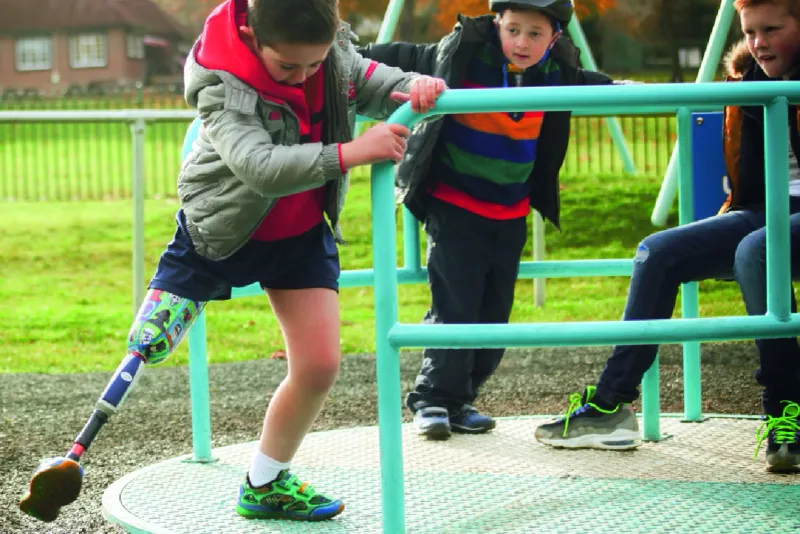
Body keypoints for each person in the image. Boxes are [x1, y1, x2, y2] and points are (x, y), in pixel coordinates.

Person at [18, 0, 446, 523]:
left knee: (318, 366)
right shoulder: (221, 80)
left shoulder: (326, 50)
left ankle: (265, 482)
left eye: (315, 64)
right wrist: (354, 150)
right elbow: (260, 167)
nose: (305, 75)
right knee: (149, 342)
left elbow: (373, 81)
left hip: (300, 232)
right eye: (288, 66)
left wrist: (419, 85)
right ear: (250, 33)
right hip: (216, 231)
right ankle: (72, 453)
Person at [534, 0, 800, 473]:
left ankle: (787, 413)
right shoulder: (752, 82)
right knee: (658, 251)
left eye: (772, 29)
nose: (758, 43)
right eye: (751, 31)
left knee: (759, 250)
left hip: (774, 229)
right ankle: (612, 406)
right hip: (764, 212)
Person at [359, 0, 616, 440]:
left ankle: (461, 400)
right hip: (455, 204)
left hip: (509, 211)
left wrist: (627, 88)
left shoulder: (555, 71)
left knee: (495, 313)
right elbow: (407, 55)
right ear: (497, 24)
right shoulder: (465, 53)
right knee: (456, 306)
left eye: (535, 34)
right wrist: (344, 52)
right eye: (513, 29)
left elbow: (590, 84)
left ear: (553, 38)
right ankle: (432, 399)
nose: (521, 43)